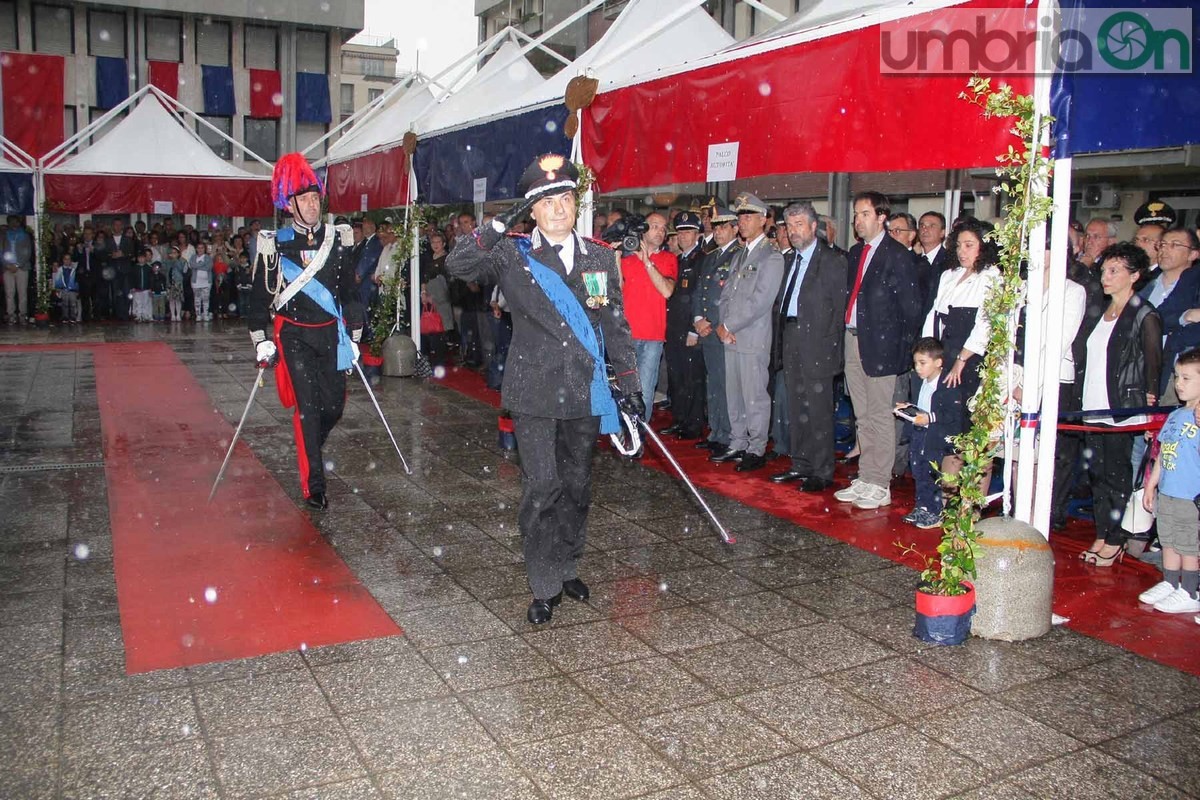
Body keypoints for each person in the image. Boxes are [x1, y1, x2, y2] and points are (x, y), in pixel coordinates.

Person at [446, 153, 640, 625]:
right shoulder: (512, 253)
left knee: (576, 486)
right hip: (534, 391)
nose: (559, 208)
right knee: (542, 487)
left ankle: (568, 562)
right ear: (531, 210)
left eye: (566, 198)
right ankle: (544, 581)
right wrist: (498, 223)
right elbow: (458, 263)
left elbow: (614, 323)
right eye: (547, 201)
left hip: (586, 391)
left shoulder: (599, 256)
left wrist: (630, 384)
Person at [246, 152, 362, 512]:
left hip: (329, 334)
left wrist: (355, 336)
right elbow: (258, 297)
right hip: (293, 336)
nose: (312, 206)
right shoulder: (275, 243)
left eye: (316, 199)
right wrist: (261, 339)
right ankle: (314, 485)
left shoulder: (336, 239)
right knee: (308, 410)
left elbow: (350, 293)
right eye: (305, 200)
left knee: (334, 407)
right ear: (290, 203)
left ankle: (310, 443)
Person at [835, 191, 924, 510]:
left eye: (864, 214)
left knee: (880, 415)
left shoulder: (897, 255)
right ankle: (866, 475)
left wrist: (900, 348)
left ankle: (880, 482)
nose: (858, 221)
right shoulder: (857, 253)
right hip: (853, 338)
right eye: (856, 215)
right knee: (862, 415)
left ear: (881, 217)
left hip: (882, 346)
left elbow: (912, 309)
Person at [1075, 242, 1162, 566]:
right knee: (1097, 472)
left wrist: (1150, 408)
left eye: (1114, 271)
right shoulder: (1099, 308)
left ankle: (1116, 538)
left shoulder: (1144, 314)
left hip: (1121, 406)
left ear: (1134, 275)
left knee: (1116, 472)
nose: (1106, 276)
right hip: (1091, 402)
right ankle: (1102, 532)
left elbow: (1154, 364)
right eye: (1104, 270)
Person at [769, 201, 848, 491]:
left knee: (818, 410)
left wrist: (831, 351)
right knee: (796, 405)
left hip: (818, 344)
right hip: (791, 338)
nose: (793, 231)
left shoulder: (831, 260)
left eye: (799, 224)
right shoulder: (791, 260)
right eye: (789, 226)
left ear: (815, 227)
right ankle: (800, 463)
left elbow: (838, 311)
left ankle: (822, 471)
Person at [712, 192, 786, 473]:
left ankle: (756, 447)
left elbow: (760, 301)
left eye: (748, 216)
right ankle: (738, 441)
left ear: (764, 220)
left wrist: (729, 326)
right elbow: (727, 295)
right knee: (734, 394)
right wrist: (723, 326)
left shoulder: (771, 257)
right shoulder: (741, 254)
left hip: (752, 337)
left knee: (754, 395)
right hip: (731, 335)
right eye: (741, 216)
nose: (742, 222)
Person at [1138, 348, 1200, 614]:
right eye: (1177, 377)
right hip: (1168, 491)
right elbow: (1163, 454)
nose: (1178, 384)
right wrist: (1152, 484)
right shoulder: (1175, 417)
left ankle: (1189, 590)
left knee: (1188, 544)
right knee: (1169, 540)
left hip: (1190, 495)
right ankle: (1171, 582)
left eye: (1187, 378)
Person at [922, 218, 1002, 419]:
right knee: (936, 410)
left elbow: (985, 324)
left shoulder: (991, 276)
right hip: (942, 353)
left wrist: (961, 359)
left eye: (969, 245)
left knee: (960, 414)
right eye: (958, 246)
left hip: (969, 357)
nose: (961, 251)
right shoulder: (949, 275)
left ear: (983, 247)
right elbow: (934, 313)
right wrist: (927, 353)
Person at [691, 206, 741, 456]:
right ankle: (716, 430)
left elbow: (734, 296)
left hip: (723, 329)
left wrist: (718, 322)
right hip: (708, 329)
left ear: (735, 228)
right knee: (714, 383)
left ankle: (729, 435)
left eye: (724, 226)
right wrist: (699, 318)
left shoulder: (738, 255)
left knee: (727, 385)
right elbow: (699, 291)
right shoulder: (710, 257)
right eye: (716, 226)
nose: (718, 231)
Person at [899, 337, 963, 529]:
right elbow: (923, 406)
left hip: (934, 435)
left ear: (938, 362)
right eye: (916, 363)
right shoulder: (920, 381)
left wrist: (930, 418)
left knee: (931, 472)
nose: (918, 368)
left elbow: (952, 414)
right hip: (920, 431)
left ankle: (935, 512)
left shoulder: (948, 384)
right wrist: (910, 408)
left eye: (922, 363)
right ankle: (922, 506)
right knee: (918, 471)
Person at [621, 211, 677, 408]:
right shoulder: (625, 259)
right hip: (627, 335)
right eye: (654, 226)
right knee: (625, 390)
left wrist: (646, 261)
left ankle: (640, 436)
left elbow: (667, 291)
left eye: (663, 228)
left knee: (645, 390)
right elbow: (615, 290)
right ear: (642, 230)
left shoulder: (669, 258)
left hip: (653, 336)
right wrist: (615, 254)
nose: (660, 232)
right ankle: (623, 435)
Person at [661, 211, 706, 440]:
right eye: (680, 232)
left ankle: (693, 423)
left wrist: (692, 329)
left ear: (697, 234)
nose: (684, 236)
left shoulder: (702, 259)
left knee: (692, 378)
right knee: (676, 375)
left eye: (688, 232)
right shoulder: (679, 260)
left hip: (689, 329)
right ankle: (679, 419)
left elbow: (699, 297)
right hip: (674, 327)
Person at [52, 252, 82, 324]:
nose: (67, 261)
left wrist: (77, 289)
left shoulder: (74, 270)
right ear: (63, 260)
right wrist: (58, 288)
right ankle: (65, 317)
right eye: (65, 259)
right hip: (63, 289)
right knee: (65, 304)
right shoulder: (60, 270)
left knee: (72, 304)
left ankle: (72, 317)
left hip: (72, 290)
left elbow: (76, 280)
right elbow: (58, 279)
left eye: (69, 259)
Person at [191, 242, 213, 321]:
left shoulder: (208, 257)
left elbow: (209, 267)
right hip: (196, 282)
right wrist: (202, 264)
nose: (200, 249)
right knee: (197, 299)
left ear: (205, 249)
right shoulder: (193, 257)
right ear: (196, 249)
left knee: (206, 299)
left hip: (206, 282)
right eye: (199, 248)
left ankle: (206, 314)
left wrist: (198, 265)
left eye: (202, 248)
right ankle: (198, 315)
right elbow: (192, 265)